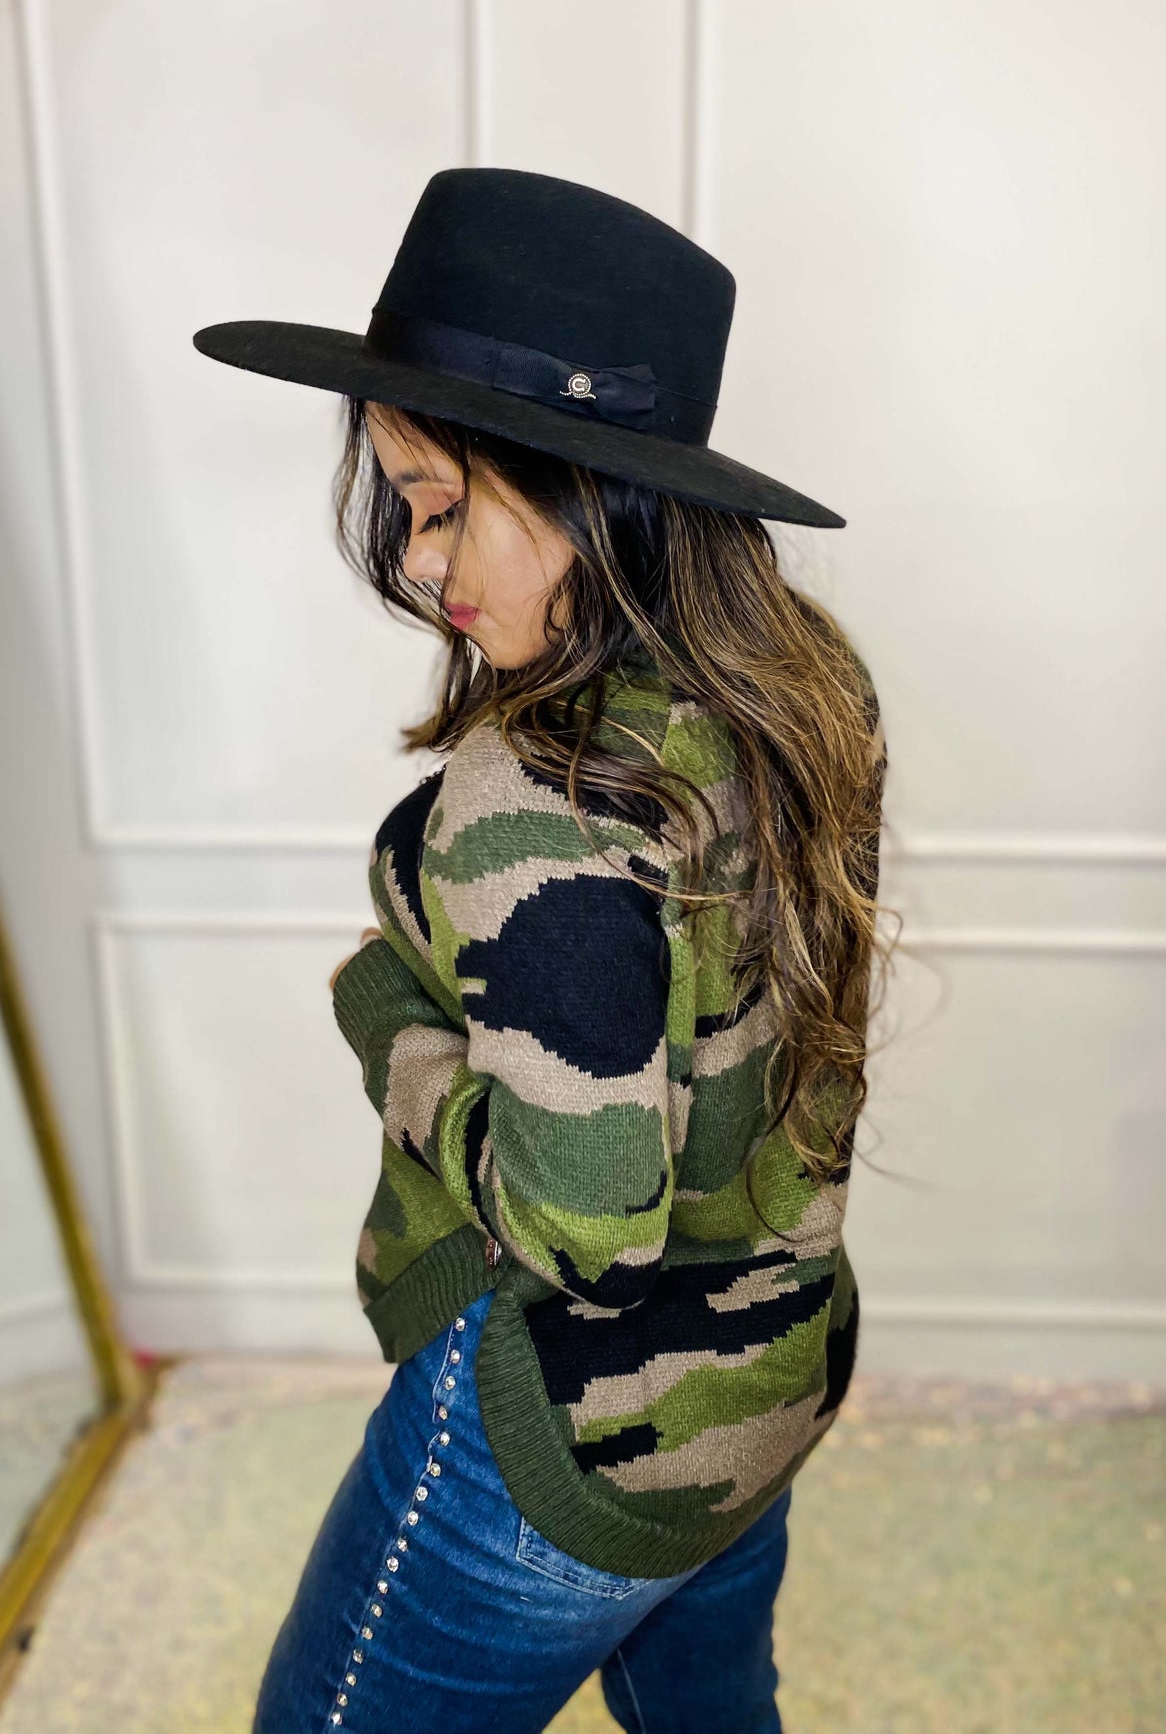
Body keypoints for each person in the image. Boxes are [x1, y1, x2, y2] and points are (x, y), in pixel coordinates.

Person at [193, 167, 890, 1734]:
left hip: (562, 1440)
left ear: (587, 488)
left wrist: (388, 1021)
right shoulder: (802, 687)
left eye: (440, 503)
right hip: (768, 1379)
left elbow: (585, 1239)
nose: (416, 561)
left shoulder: (534, 800)